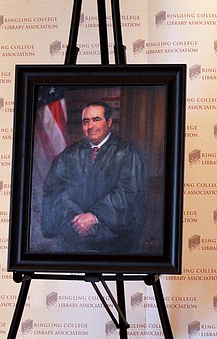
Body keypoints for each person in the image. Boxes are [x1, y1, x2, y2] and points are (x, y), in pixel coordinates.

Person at [41, 100, 148, 253]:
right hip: (75, 242)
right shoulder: (68, 155)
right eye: (86, 121)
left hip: (114, 246)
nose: (90, 126)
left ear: (109, 122)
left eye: (96, 119)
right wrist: (78, 222)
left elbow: (129, 194)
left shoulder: (127, 153)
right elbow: (54, 191)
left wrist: (95, 217)